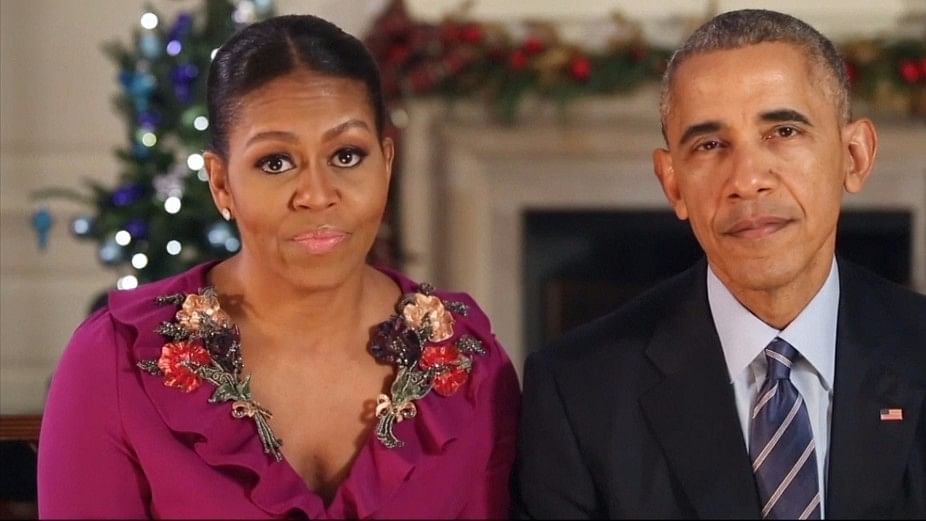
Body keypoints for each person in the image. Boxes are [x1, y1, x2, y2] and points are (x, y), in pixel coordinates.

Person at [38, 14, 520, 519]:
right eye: (275, 162)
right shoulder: (113, 364)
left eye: (348, 155)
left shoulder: (466, 364)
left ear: (387, 161)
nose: (317, 194)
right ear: (222, 183)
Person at [514, 8, 925, 519]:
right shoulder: (578, 393)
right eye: (710, 145)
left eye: (784, 132)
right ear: (673, 183)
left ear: (855, 156)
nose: (747, 179)